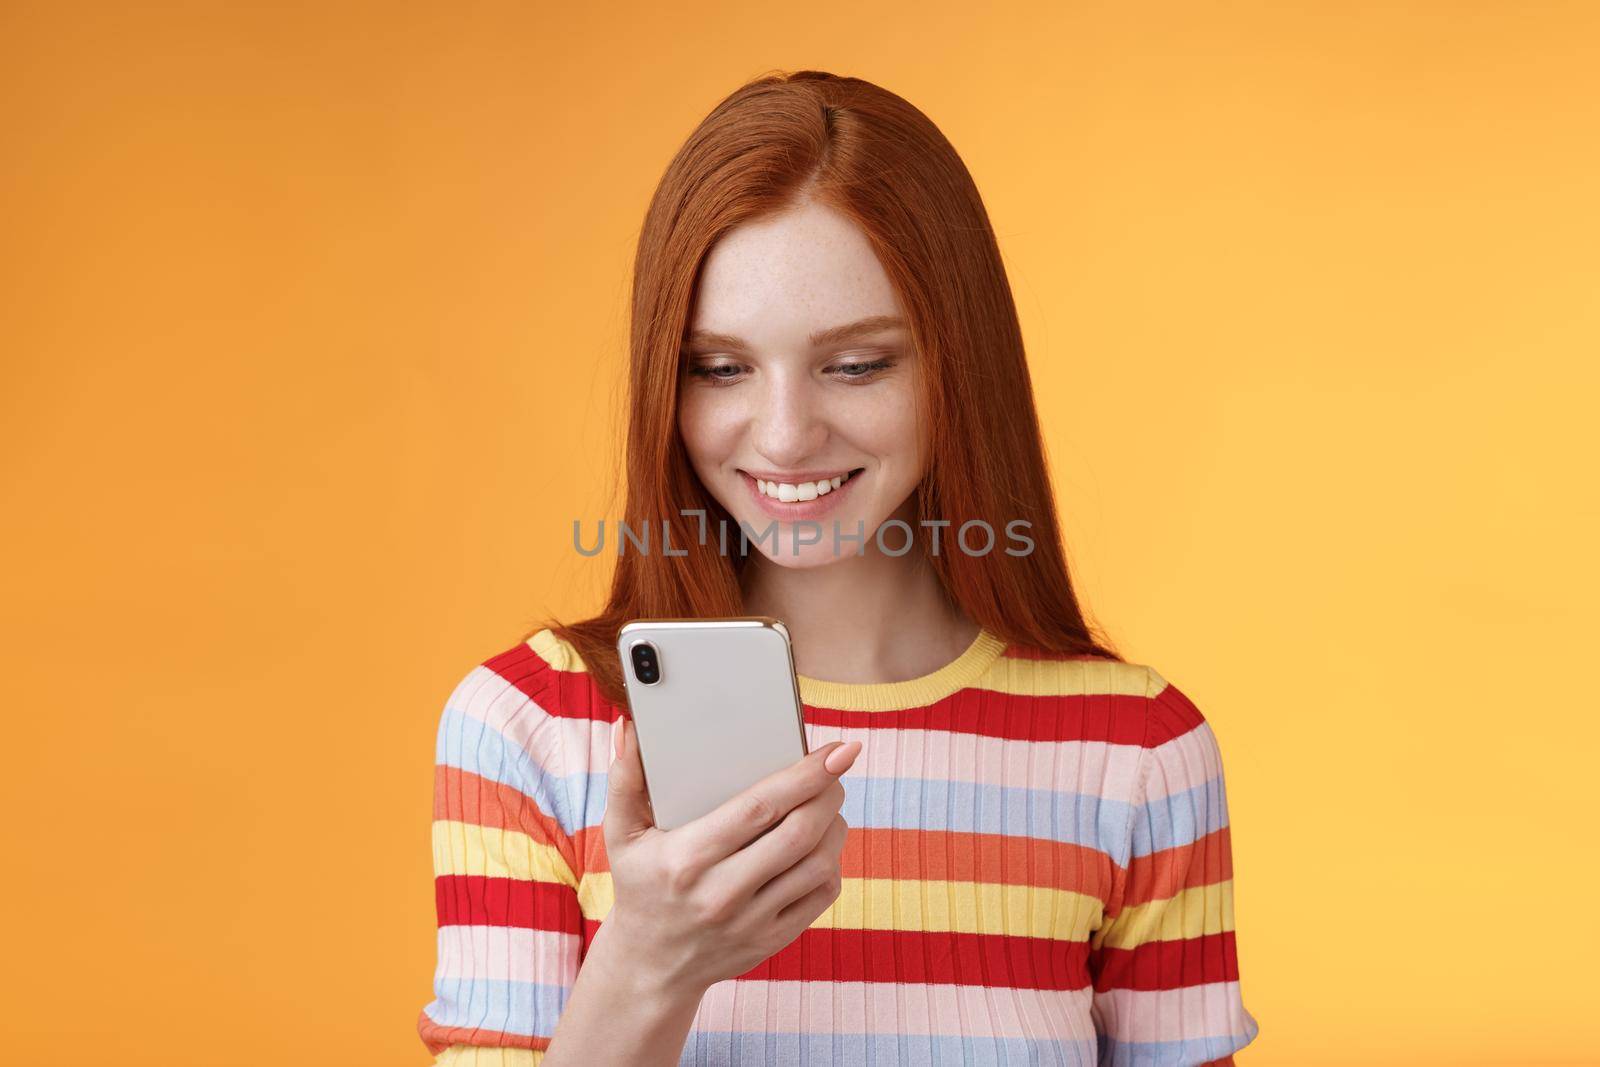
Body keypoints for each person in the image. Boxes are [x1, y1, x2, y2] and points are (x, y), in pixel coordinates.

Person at [417, 69, 1260, 1066]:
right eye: (719, 367)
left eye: (857, 364)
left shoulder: (1138, 752)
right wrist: (649, 963)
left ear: (959, 363)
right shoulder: (529, 724)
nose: (782, 436)